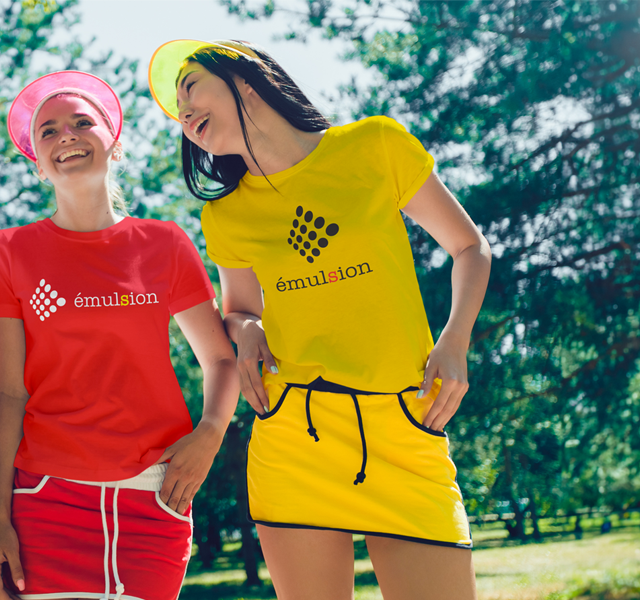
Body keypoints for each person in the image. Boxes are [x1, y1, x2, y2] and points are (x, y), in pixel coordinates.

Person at [149, 39, 492, 600]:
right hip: (293, 438)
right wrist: (249, 330)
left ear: (248, 79)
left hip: (404, 427)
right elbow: (237, 310)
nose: (183, 114)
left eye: (190, 88)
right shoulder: (226, 213)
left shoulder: (375, 145)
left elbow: (470, 248)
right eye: (177, 112)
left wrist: (455, 339)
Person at [0, 70, 241, 600]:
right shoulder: (9, 252)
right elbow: (8, 391)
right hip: (47, 500)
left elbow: (220, 359)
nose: (66, 136)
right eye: (48, 131)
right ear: (36, 161)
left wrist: (210, 432)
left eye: (81, 122)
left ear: (112, 144)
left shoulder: (163, 244)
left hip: (155, 497)